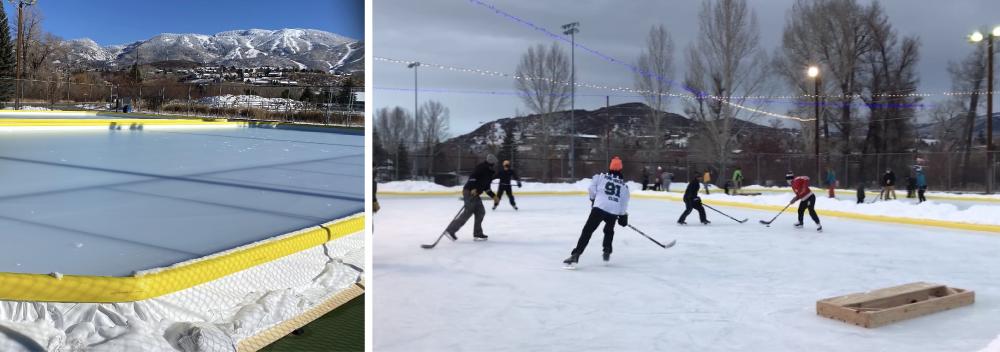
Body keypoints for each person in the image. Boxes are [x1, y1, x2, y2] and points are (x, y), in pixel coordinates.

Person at [563, 156, 630, 265]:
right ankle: (607, 249)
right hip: (613, 211)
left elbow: (591, 189)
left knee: (587, 231)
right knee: (609, 230)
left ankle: (576, 254)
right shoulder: (624, 186)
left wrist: (593, 199)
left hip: (599, 207)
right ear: (621, 169)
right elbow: (624, 202)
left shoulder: (600, 177)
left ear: (610, 167)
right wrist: (622, 216)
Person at [445, 154, 498, 241]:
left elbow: (486, 188)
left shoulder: (490, 173)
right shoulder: (481, 167)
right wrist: (473, 188)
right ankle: (451, 230)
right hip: (469, 191)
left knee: (481, 212)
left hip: (476, 194)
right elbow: (472, 177)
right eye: (494, 163)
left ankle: (477, 233)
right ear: (491, 162)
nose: (495, 165)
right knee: (468, 212)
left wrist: (494, 196)